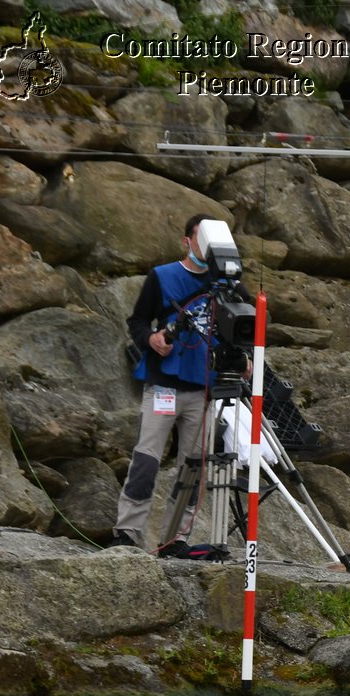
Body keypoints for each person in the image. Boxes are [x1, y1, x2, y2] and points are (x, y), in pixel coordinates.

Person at [106, 214, 229, 552]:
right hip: (164, 383)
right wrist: (152, 339)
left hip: (204, 388)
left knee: (193, 469)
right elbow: (137, 321)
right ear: (186, 241)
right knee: (146, 459)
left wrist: (243, 357)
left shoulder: (228, 284)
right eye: (198, 237)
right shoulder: (162, 276)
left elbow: (243, 325)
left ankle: (175, 538)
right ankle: (128, 532)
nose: (205, 245)